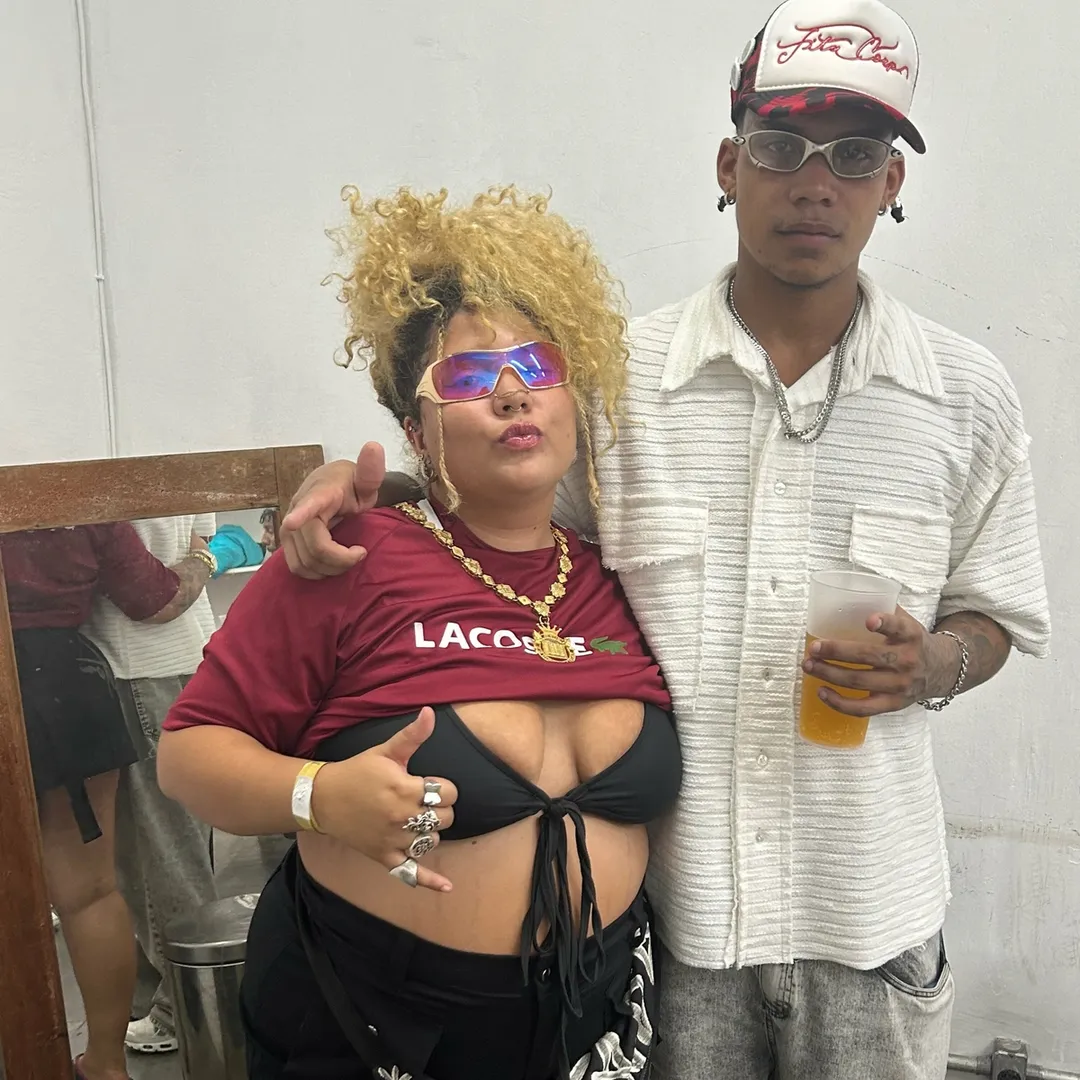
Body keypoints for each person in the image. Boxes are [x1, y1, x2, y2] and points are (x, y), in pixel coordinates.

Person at [278, 1, 1051, 1077]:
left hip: (872, 922)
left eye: (854, 154)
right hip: (679, 931)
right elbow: (502, 513)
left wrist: (939, 662)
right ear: (730, 165)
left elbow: (996, 612)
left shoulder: (965, 397)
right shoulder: (619, 383)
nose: (815, 183)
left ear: (892, 182)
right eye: (782, 146)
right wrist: (368, 484)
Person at [157, 186, 681, 1080]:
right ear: (415, 429)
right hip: (373, 1023)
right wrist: (318, 795)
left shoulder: (622, 572)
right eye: (469, 378)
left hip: (595, 1025)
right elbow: (188, 754)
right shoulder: (348, 559)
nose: (512, 392)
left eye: (537, 365)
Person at [0, 523, 213, 1080]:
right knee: (90, 892)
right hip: (64, 682)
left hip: (49, 678)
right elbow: (151, 596)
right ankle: (105, 1065)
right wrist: (204, 558)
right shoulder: (74, 486)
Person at [83, 515, 221, 1056]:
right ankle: (166, 996)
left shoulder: (100, 470)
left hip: (134, 663)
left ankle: (184, 1009)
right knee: (158, 846)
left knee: (163, 850)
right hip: (181, 653)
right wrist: (203, 560)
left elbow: (148, 597)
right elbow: (201, 540)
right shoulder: (183, 466)